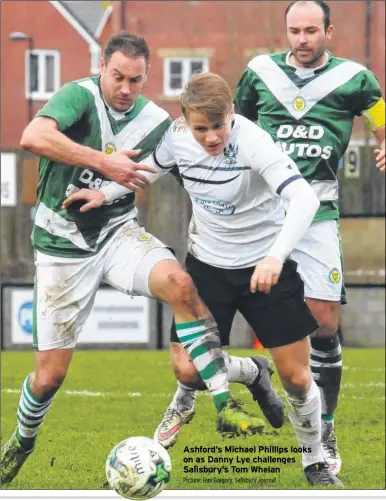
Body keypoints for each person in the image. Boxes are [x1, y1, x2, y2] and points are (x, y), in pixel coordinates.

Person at [0, 34, 266, 488]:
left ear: (147, 78)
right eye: (118, 77)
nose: (125, 88)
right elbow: (33, 136)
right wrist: (104, 163)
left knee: (181, 285)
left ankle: (224, 402)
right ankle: (20, 444)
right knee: (49, 378)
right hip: (61, 248)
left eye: (136, 80)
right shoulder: (77, 98)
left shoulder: (157, 122)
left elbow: (200, 163)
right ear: (101, 66)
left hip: (119, 235)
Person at [62, 71, 344, 486]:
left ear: (231, 113)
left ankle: (314, 461)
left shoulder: (253, 141)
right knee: (188, 372)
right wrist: (104, 193)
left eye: (219, 125)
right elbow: (147, 172)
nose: (212, 137)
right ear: (185, 122)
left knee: (299, 379)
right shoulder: (175, 139)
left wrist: (274, 256)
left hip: (265, 267)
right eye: (201, 128)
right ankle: (251, 372)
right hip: (207, 266)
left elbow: (302, 198)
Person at [157, 0, 386, 476]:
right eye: (294, 30)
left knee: (323, 323)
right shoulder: (259, 71)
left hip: (315, 207)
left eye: (311, 31)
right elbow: (228, 124)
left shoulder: (354, 78)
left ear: (329, 31)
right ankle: (190, 390)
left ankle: (323, 427)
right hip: (260, 210)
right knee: (202, 338)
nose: (302, 39)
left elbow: (379, 113)